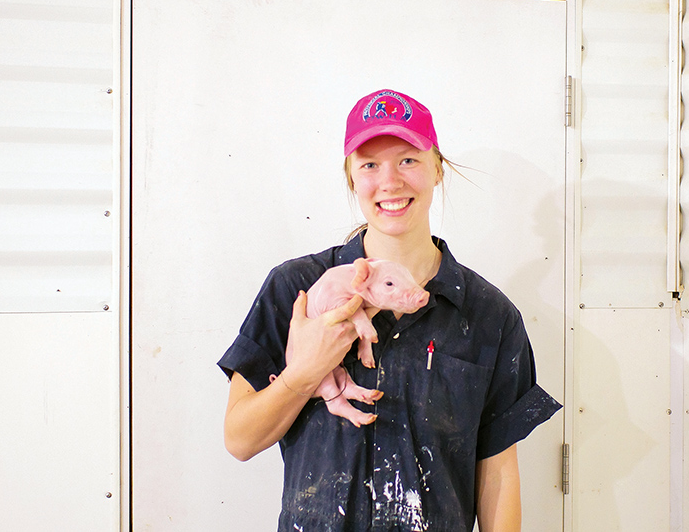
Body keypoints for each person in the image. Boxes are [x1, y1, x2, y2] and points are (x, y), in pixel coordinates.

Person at [218, 89, 561, 531]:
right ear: (351, 179)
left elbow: (497, 472)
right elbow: (240, 440)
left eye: (408, 160)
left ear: (437, 168)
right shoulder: (295, 290)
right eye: (369, 165)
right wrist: (304, 373)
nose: (390, 182)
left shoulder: (489, 315)